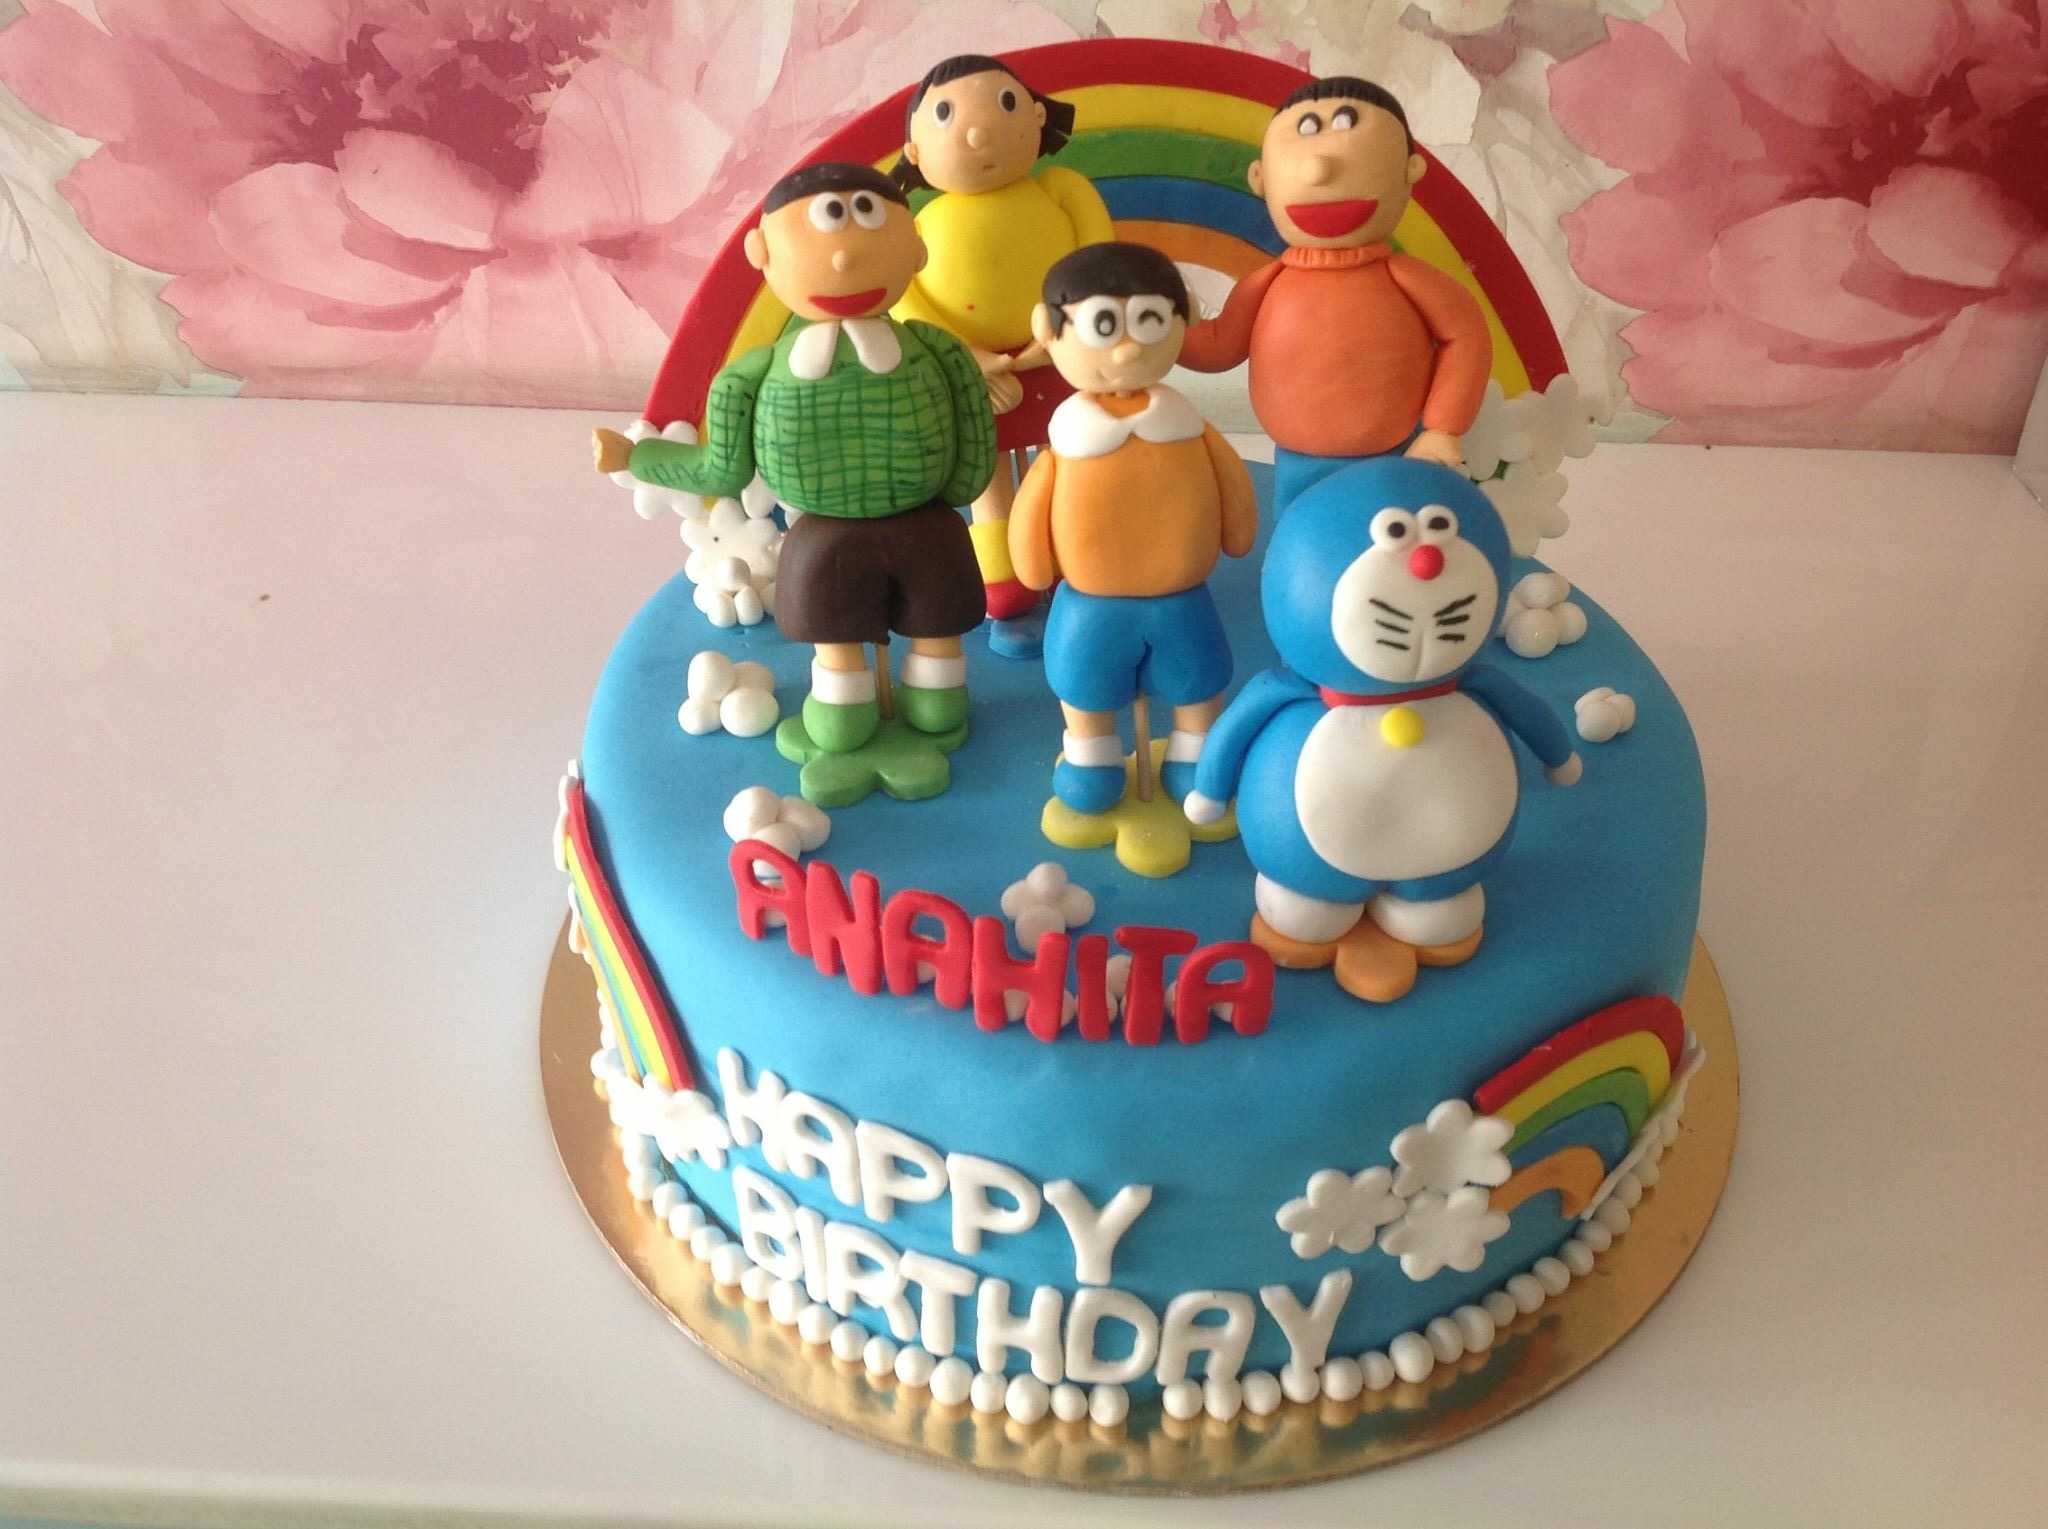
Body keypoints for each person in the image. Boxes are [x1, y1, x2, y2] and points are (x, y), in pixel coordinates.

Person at [593, 163, 993, 760]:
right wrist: (642, 457)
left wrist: (960, 487)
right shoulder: (753, 374)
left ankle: (934, 700)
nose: (844, 257)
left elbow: (974, 437)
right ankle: (845, 707)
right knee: (836, 632)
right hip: (826, 540)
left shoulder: (938, 351)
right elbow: (721, 468)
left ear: (916, 249)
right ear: (762, 253)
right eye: (826, 224)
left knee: (938, 624)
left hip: (927, 528)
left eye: (865, 219)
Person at [1008, 243, 1258, 813]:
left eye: (1148, 322)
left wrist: (1238, 531)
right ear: (1047, 329)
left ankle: (1197, 752)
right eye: (1104, 326)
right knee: (1085, 683)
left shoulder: (1190, 429)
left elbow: (1234, 490)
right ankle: (1090, 756)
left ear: (1181, 317)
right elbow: (1033, 504)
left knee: (1198, 678)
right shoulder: (1066, 444)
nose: (1126, 348)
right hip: (1091, 605)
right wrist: (1033, 566)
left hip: (1182, 597)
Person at [1177, 77, 1492, 513]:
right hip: (1297, 465)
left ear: (1410, 169)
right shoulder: (1266, 284)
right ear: (1260, 178)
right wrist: (1161, 330)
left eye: (1347, 127)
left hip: (1394, 458)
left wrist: (1443, 427)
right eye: (1306, 136)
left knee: (1383, 537)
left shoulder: (1406, 278)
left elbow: (1467, 335)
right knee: (1299, 539)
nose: (1318, 170)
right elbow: (1218, 346)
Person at [891, 53, 1116, 623]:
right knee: (987, 475)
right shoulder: (914, 224)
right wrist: (968, 355)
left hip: (1061, 362)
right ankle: (1002, 579)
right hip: (975, 376)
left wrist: (1066, 333)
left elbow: (1099, 262)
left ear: (1038, 116)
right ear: (915, 153)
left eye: (1006, 104)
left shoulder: (1062, 190)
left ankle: (1072, 558)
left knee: (1065, 460)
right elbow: (903, 299)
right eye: (946, 115)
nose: (977, 131)